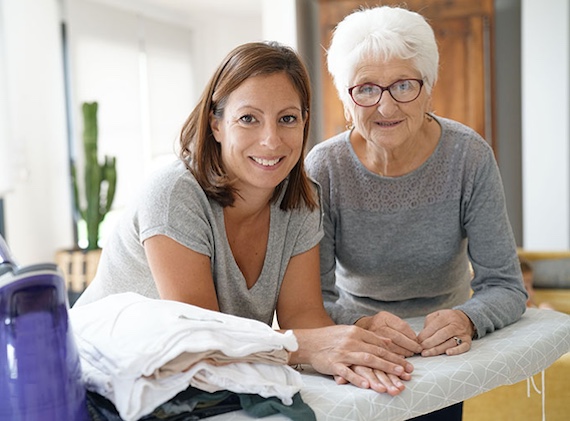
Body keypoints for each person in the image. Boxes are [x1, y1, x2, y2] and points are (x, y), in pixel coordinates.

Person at [74, 41, 413, 396]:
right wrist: (309, 347)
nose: (271, 140)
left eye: (287, 119)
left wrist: (355, 343)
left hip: (185, 386)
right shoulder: (174, 194)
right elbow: (202, 338)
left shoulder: (300, 199)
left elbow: (304, 317)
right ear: (216, 125)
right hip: (95, 381)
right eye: (248, 118)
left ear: (304, 123)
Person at [304, 6, 528, 420]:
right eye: (366, 88)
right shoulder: (323, 169)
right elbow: (312, 298)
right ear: (344, 97)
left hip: (443, 347)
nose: (386, 108)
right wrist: (365, 325)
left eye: (404, 85)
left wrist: (468, 319)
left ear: (429, 88)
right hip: (358, 340)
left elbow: (507, 286)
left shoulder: (469, 156)